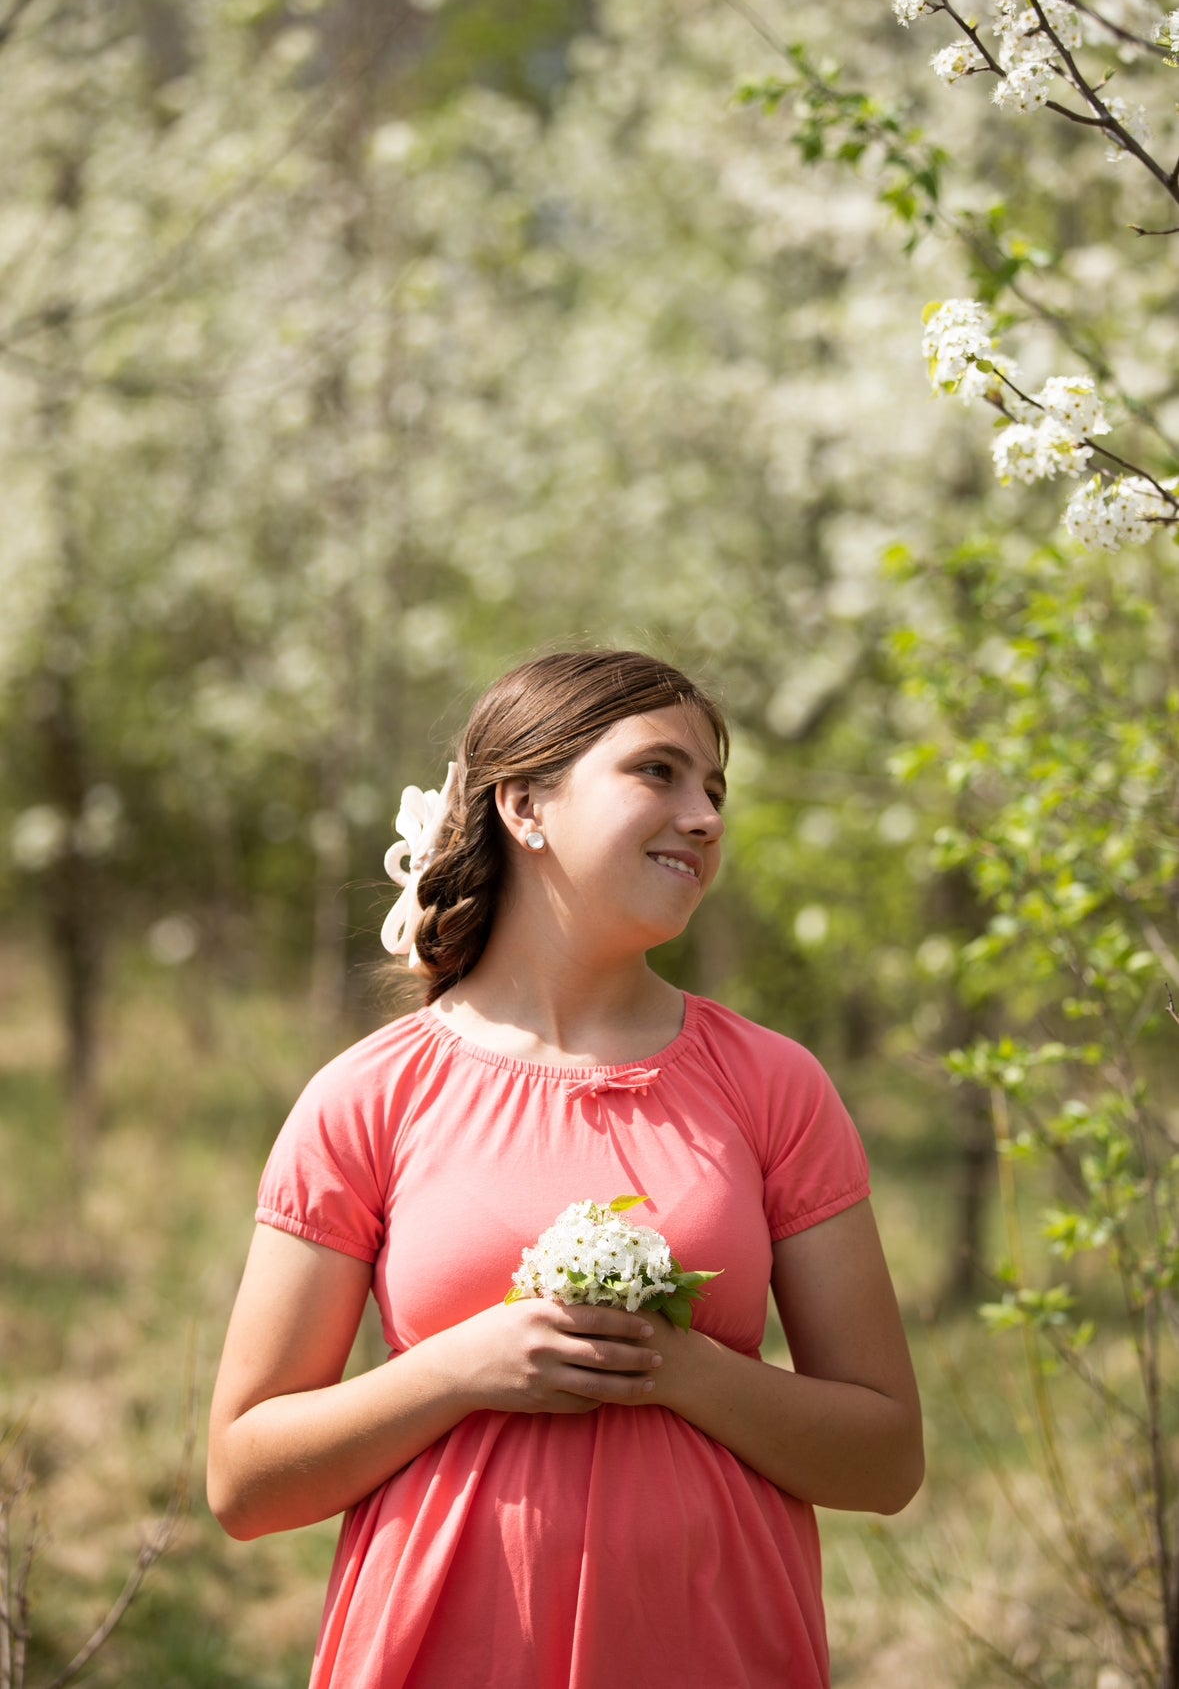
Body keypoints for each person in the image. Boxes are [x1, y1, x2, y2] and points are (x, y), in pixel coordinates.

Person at [207, 649, 923, 1689]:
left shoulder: (777, 1085)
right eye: (658, 772)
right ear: (525, 804)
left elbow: (887, 1457)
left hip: (716, 1650)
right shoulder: (367, 1096)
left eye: (715, 789)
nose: (706, 815)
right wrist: (459, 1368)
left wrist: (679, 1368)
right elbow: (244, 1481)